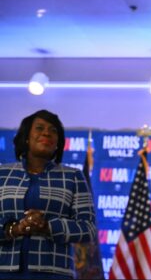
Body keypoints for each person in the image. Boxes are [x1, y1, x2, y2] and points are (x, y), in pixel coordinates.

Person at [0, 110, 96, 279]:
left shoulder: (73, 176)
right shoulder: (3, 173)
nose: (46, 133)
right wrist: (14, 228)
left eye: (53, 130)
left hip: (55, 273)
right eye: (39, 128)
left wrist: (47, 226)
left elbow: (88, 228)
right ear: (27, 137)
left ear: (58, 143)